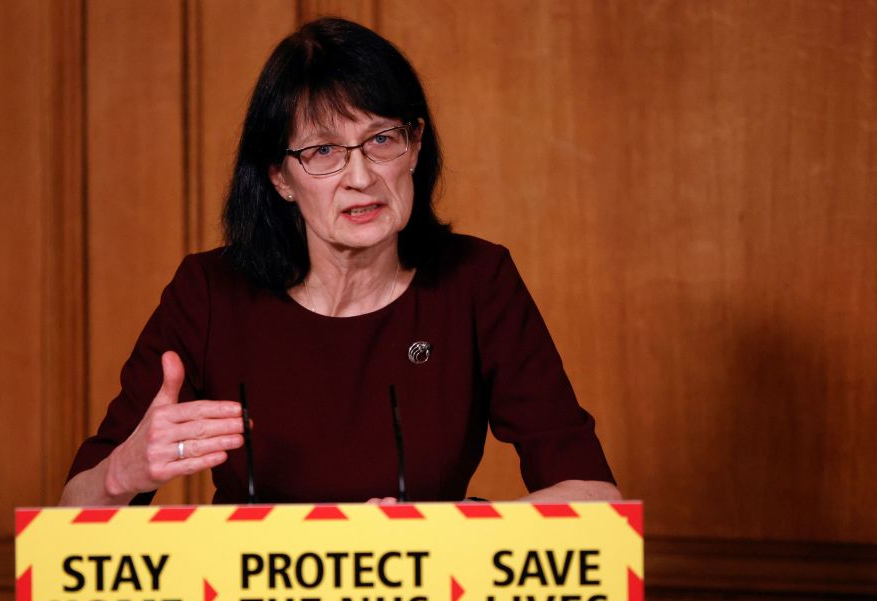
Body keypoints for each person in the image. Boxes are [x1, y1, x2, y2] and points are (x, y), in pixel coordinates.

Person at [60, 17, 619, 506]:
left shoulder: (476, 280)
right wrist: (121, 474)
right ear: (279, 177)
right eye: (323, 151)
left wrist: (451, 527)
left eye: (381, 139)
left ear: (416, 144)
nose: (360, 176)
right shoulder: (209, 292)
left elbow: (594, 496)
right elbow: (69, 518)